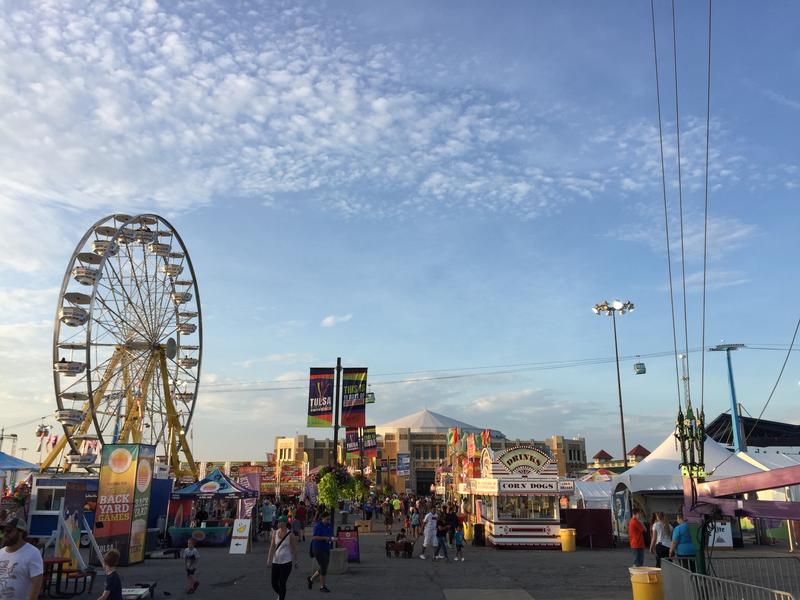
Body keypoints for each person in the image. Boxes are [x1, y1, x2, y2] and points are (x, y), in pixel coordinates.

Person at [0, 517, 43, 600]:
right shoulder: (1, 552)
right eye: (3, 530)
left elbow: (37, 582)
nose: (5, 534)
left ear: (21, 532)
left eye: (9, 531)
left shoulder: (32, 553)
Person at [268, 516, 298, 600]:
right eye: (278, 522)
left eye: (280, 522)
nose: (278, 523)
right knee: (274, 583)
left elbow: (295, 548)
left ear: (284, 523)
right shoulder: (275, 533)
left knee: (282, 583)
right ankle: (281, 595)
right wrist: (269, 559)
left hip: (286, 562)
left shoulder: (290, 534)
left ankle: (281, 597)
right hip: (276, 561)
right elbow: (272, 547)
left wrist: (296, 561)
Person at [308, 512, 333, 593]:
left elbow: (330, 536)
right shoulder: (318, 526)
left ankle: (311, 579)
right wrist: (326, 538)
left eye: (329, 519)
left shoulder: (329, 525)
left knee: (324, 566)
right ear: (322, 518)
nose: (328, 520)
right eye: (327, 519)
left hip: (326, 548)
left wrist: (333, 538)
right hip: (318, 548)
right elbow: (315, 537)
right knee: (323, 567)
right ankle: (322, 586)